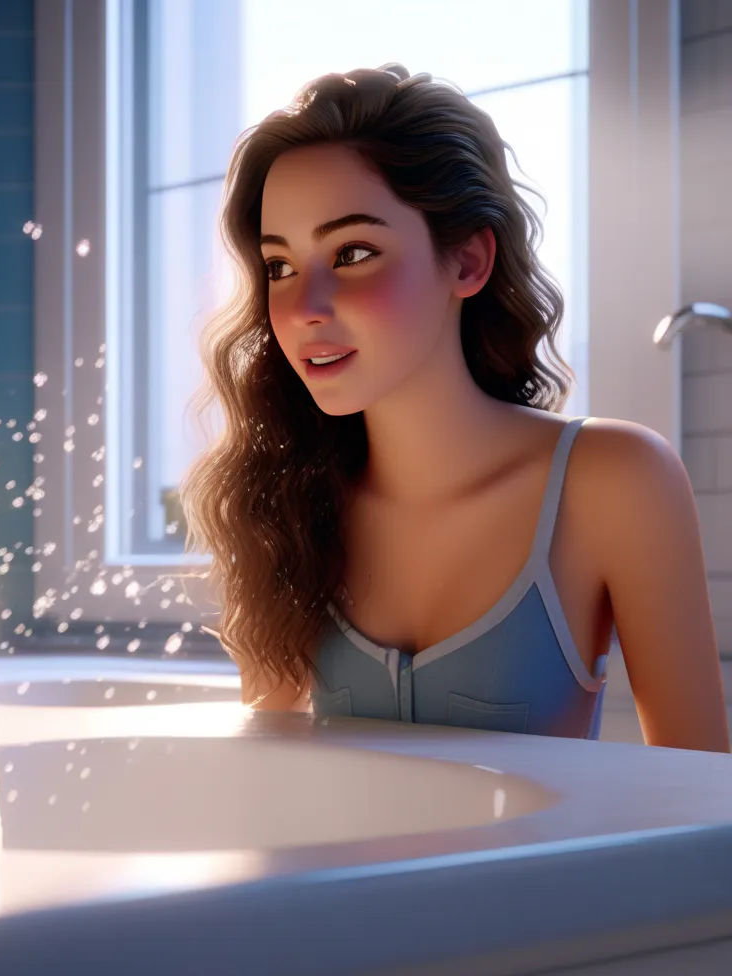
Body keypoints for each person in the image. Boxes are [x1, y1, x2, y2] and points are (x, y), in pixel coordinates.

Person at [178, 63, 730, 752]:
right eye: (282, 267)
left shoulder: (615, 480)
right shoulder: (286, 502)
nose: (304, 308)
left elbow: (700, 792)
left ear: (468, 262)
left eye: (352, 253)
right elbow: (272, 778)